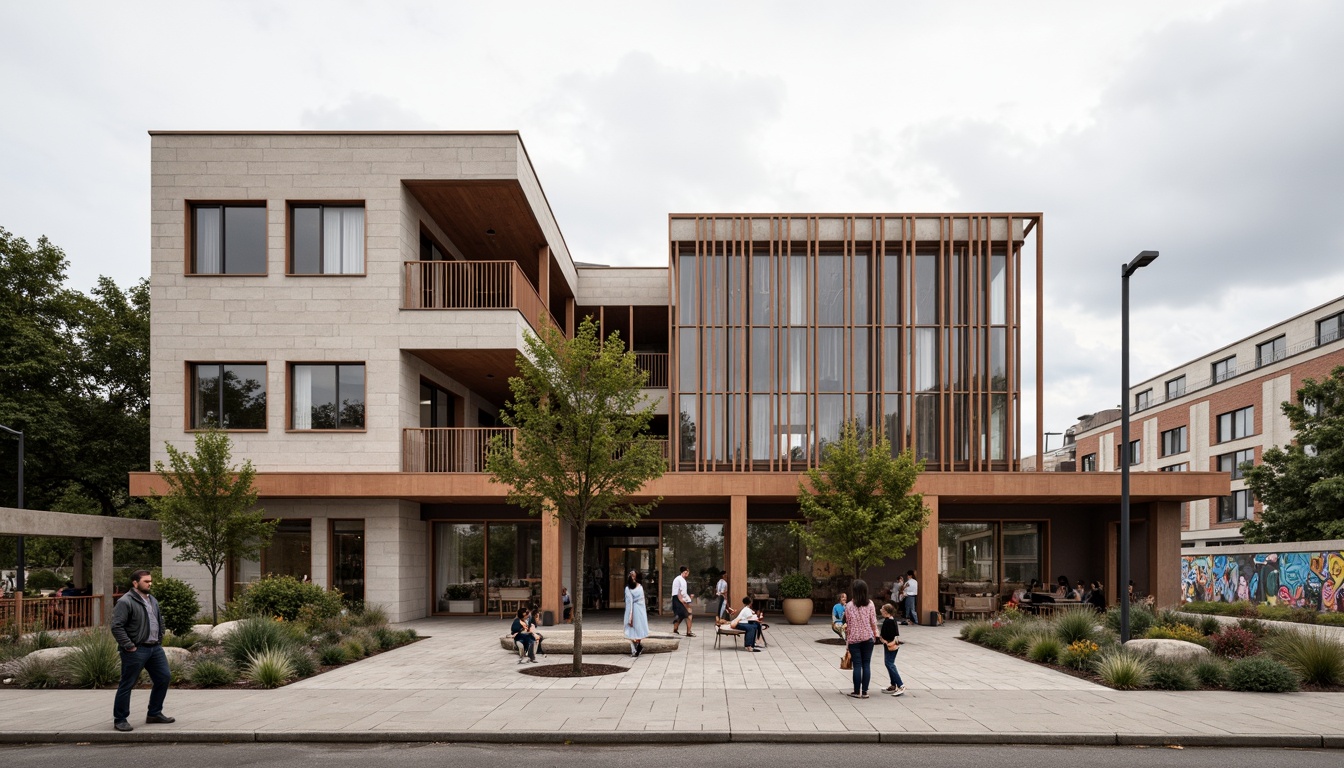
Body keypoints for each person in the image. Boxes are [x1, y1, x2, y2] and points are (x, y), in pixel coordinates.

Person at [109, 570, 173, 732]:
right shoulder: (126, 601)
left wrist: (160, 637)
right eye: (146, 581)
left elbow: (160, 620)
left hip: (154, 648)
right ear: (135, 583)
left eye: (150, 581)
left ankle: (154, 713)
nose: (150, 584)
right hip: (136, 649)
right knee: (127, 683)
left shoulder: (152, 600)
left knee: (164, 677)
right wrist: (129, 645)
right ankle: (120, 719)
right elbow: (117, 626)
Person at [843, 579, 880, 699]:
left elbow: (848, 623)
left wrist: (847, 641)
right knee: (866, 664)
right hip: (868, 637)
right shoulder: (870, 604)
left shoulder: (849, 606)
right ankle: (865, 691)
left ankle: (856, 691)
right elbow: (873, 621)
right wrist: (875, 633)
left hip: (854, 638)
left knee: (857, 665)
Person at [878, 602, 906, 696]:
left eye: (882, 609)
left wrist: (883, 639)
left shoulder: (888, 621)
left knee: (889, 663)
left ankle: (900, 684)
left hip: (889, 644)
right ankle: (893, 685)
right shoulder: (892, 620)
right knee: (889, 663)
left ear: (886, 611)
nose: (881, 611)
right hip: (893, 644)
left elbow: (888, 634)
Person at [624, 569, 650, 657]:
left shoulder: (629, 588)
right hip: (639, 609)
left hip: (635, 609)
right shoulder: (639, 586)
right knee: (638, 629)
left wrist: (629, 616)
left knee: (633, 629)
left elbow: (629, 603)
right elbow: (641, 600)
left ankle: (636, 648)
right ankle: (637, 647)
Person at [670, 565, 695, 637]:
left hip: (677, 598)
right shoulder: (681, 580)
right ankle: (688, 632)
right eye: (687, 571)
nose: (688, 573)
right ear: (685, 572)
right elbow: (681, 592)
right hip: (679, 599)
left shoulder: (678, 579)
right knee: (689, 615)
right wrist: (684, 601)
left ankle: (675, 629)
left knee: (682, 615)